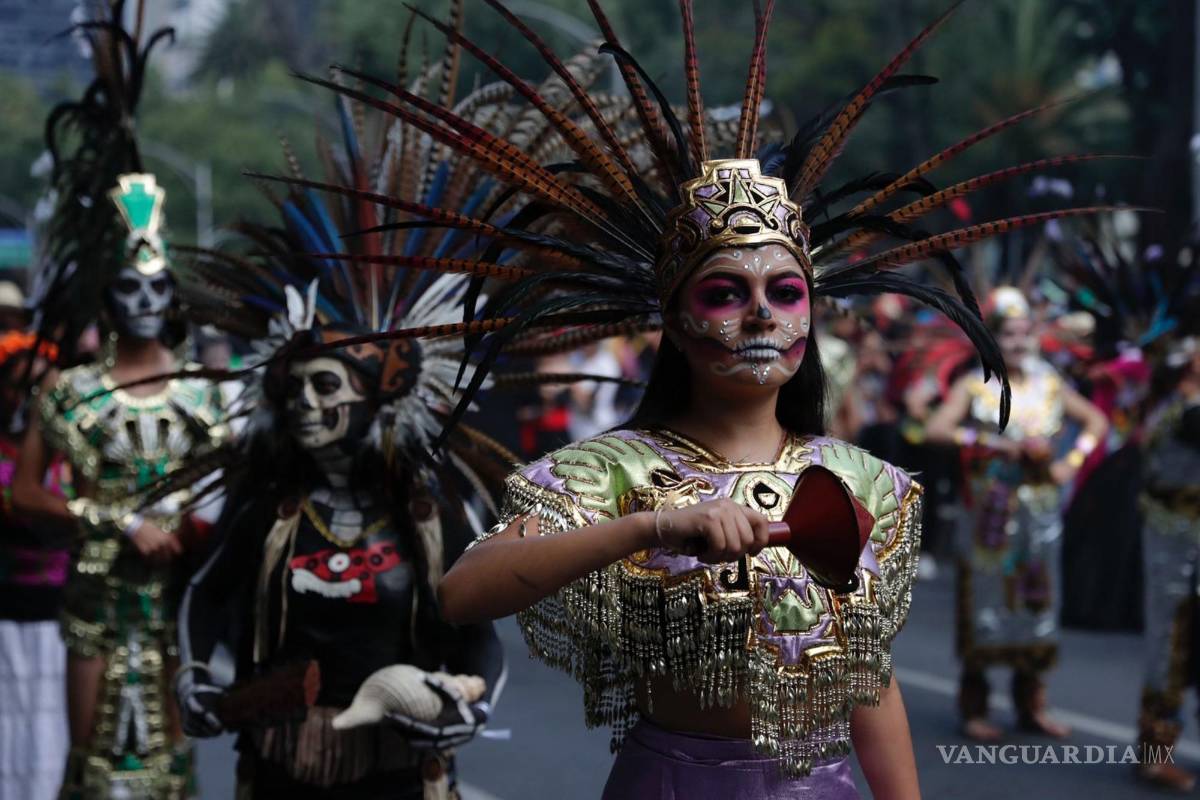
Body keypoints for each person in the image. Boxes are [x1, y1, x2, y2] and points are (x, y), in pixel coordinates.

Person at [341, 2, 1125, 794]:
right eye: (724, 291)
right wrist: (650, 525)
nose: (760, 313)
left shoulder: (867, 480)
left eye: (785, 291)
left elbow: (868, 681)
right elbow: (463, 592)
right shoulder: (614, 471)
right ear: (675, 323)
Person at [170, 16, 512, 796]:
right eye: (292, 390)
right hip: (281, 773)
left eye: (327, 388)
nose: (304, 404)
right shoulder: (270, 504)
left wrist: (471, 708)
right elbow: (207, 593)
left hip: (398, 774)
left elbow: (480, 641)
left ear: (379, 401)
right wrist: (195, 677)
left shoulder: (426, 512)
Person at [12, 6, 229, 796]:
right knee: (95, 770)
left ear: (171, 296)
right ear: (108, 300)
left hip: (177, 605)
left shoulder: (210, 396)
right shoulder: (69, 392)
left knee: (172, 771)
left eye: (156, 288)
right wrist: (116, 519)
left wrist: (196, 531)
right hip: (97, 598)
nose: (143, 300)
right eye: (128, 288)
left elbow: (236, 498)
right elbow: (26, 494)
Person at [925, 287, 1108, 742]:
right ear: (992, 339)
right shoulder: (976, 385)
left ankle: (1032, 704)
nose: (1019, 341)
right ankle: (975, 705)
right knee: (986, 601)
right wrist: (991, 443)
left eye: (1026, 332)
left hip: (1041, 513)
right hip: (990, 510)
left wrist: (1072, 460)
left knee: (1039, 602)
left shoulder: (1051, 384)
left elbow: (1097, 423)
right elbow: (936, 430)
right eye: (1009, 333)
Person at [0, 332, 72, 800]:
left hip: (62, 623)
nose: (34, 400)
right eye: (23, 387)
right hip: (5, 621)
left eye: (44, 389)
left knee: (55, 740)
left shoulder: (75, 456)